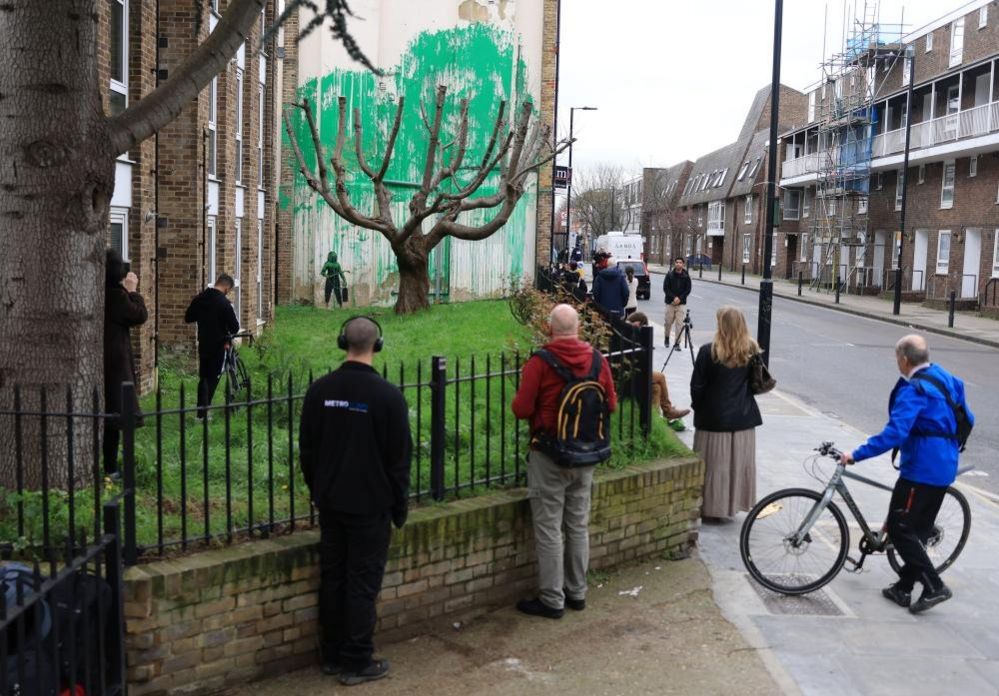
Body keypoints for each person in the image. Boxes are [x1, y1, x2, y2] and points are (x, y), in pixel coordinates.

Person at [299, 316, 412, 685]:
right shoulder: (389, 397)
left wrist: (319, 490)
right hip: (371, 505)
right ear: (376, 346)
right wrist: (399, 507)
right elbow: (399, 459)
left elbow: (308, 451)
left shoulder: (319, 391)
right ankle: (356, 660)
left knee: (334, 577)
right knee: (363, 583)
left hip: (331, 503)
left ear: (341, 342)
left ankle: (331, 654)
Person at [839, 335, 973, 614]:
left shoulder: (915, 390)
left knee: (900, 530)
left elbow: (895, 432)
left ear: (903, 359)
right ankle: (904, 588)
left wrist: (856, 454)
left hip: (921, 470)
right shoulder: (947, 378)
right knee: (918, 530)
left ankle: (935, 587)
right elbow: (968, 418)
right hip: (943, 465)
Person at [511, 304, 618, 619]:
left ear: (549, 330)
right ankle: (577, 592)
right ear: (579, 330)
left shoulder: (540, 363)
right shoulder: (598, 360)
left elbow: (520, 409)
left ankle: (551, 599)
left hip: (550, 455)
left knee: (548, 529)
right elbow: (610, 405)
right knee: (577, 524)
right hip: (587, 455)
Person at [689, 306, 762, 521]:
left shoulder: (708, 351)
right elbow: (757, 385)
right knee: (737, 467)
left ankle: (711, 507)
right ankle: (734, 505)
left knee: (714, 466)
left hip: (713, 420)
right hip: (743, 419)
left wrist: (699, 407)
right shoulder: (751, 350)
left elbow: (697, 387)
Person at [103, 249, 148, 471]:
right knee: (114, 417)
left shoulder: (98, 293)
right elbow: (139, 315)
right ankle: (111, 468)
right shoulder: (115, 297)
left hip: (104, 361)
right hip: (114, 363)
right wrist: (132, 291)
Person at [184, 275, 240, 419]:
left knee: (203, 377)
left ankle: (200, 411)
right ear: (227, 288)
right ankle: (203, 413)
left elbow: (189, 317)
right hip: (219, 344)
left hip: (203, 343)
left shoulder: (201, 298)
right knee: (213, 377)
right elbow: (235, 327)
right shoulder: (224, 303)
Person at [627, 312, 690, 423]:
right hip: (633, 374)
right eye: (642, 326)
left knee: (656, 388)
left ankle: (654, 417)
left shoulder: (629, 333)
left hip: (636, 372)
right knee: (660, 377)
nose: (643, 329)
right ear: (637, 324)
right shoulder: (629, 335)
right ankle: (668, 411)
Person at [663, 257, 692, 347]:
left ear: (683, 264)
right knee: (668, 322)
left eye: (680, 262)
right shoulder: (669, 275)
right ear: (675, 264)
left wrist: (680, 298)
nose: (678, 264)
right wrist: (674, 297)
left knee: (679, 324)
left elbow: (688, 289)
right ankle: (667, 337)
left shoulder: (686, 276)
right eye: (677, 262)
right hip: (670, 303)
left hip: (681, 304)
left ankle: (677, 343)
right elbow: (666, 288)